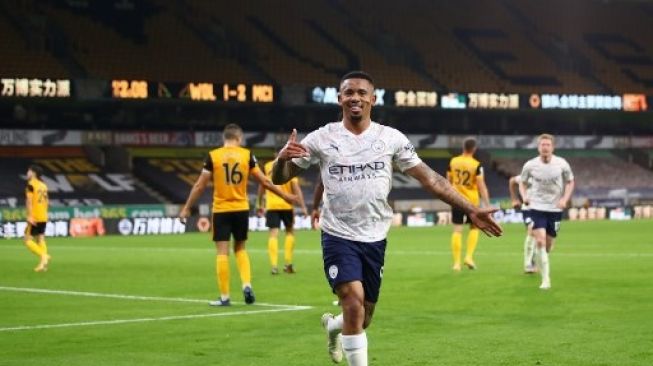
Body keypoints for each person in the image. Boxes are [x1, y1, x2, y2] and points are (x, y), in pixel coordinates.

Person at [271, 71, 502, 366]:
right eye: (349, 92)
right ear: (339, 98)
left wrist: (470, 208)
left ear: (373, 99)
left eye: (362, 93)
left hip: (375, 237)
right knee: (353, 303)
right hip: (338, 234)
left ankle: (333, 327)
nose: (355, 97)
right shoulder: (321, 138)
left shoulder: (390, 138)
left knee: (362, 318)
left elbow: (432, 179)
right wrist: (281, 159)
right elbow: (280, 178)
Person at [179, 123, 297, 306]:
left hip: (221, 209)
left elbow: (200, 185)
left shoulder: (213, 156)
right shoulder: (246, 155)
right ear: (239, 138)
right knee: (240, 248)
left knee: (222, 252)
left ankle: (225, 297)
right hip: (241, 208)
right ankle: (247, 285)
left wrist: (187, 207)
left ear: (224, 138)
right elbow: (264, 181)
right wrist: (285, 195)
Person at [519, 134, 574, 290]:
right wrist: (524, 197)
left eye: (547, 145)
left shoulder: (561, 164)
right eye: (542, 145)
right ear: (538, 147)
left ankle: (539, 259)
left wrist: (565, 199)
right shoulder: (530, 165)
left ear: (552, 147)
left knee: (548, 245)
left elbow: (570, 181)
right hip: (536, 207)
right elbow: (521, 183)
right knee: (540, 241)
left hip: (555, 209)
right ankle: (545, 280)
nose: (545, 147)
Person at [257, 156, 308, 274]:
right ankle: (288, 264)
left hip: (272, 205)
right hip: (287, 205)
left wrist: (259, 204)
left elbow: (262, 184)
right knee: (289, 232)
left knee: (273, 234)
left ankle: (274, 266)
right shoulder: (290, 166)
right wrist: (303, 207)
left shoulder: (267, 166)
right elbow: (296, 188)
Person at [447, 137, 490, 271]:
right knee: (474, 228)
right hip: (472, 201)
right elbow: (481, 186)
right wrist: (487, 204)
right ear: (474, 149)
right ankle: (469, 257)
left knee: (457, 230)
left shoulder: (453, 161)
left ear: (463, 147)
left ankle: (456, 264)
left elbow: (448, 180)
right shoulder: (476, 165)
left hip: (456, 199)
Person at [24, 165, 50, 272]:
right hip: (43, 215)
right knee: (40, 239)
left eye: (28, 171)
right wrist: (44, 212)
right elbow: (47, 202)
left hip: (35, 216)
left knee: (27, 240)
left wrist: (30, 216)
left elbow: (29, 202)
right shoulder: (44, 185)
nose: (27, 173)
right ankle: (43, 264)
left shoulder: (31, 185)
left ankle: (44, 255)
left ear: (33, 173)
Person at [509, 174, 536, 273]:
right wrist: (514, 199)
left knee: (539, 237)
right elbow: (512, 181)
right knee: (531, 230)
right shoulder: (526, 176)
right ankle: (528, 264)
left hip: (541, 209)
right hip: (528, 209)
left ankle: (532, 262)